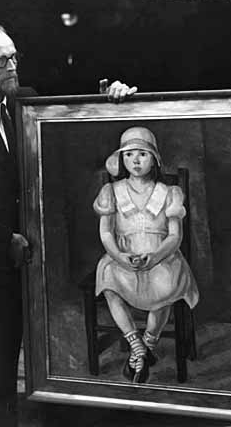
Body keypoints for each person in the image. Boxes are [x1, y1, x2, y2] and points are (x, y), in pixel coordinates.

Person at [0, 22, 137, 427]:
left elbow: (73, 124)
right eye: (1, 60)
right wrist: (5, 238)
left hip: (40, 263)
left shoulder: (28, 102)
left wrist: (112, 98)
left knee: (54, 372)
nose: (12, 67)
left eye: (14, 56)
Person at [93, 126, 199, 383]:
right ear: (121, 159)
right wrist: (120, 257)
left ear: (154, 159)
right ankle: (135, 342)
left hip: (161, 256)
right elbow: (106, 234)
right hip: (123, 255)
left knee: (167, 284)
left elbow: (175, 236)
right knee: (108, 277)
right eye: (129, 155)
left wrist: (155, 257)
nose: (135, 161)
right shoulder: (111, 192)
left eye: (142, 154)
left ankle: (147, 344)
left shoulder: (169, 193)